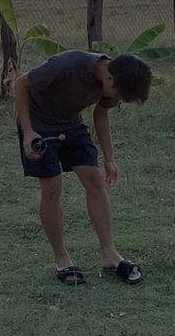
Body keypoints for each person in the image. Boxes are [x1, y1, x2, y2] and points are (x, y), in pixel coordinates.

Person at [14, 49, 152, 285]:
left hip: (71, 125)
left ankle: (109, 255)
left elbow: (101, 114)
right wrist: (28, 132)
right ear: (109, 78)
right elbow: (20, 84)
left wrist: (109, 159)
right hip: (39, 125)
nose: (117, 100)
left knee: (95, 181)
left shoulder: (117, 77)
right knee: (53, 189)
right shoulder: (67, 65)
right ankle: (62, 258)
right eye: (118, 95)